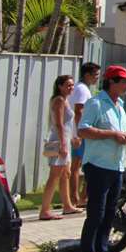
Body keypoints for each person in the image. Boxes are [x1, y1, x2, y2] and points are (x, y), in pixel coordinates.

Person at [77, 65, 126, 252]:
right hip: (98, 166)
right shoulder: (96, 103)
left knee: (110, 215)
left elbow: (122, 130)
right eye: (124, 81)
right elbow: (83, 130)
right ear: (111, 82)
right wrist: (112, 135)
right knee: (96, 215)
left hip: (116, 166)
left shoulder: (120, 106)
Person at [39, 75, 82, 220]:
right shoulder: (58, 101)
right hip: (58, 141)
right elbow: (59, 124)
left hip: (64, 141)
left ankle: (67, 205)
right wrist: (63, 144)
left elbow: (69, 125)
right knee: (55, 175)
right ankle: (44, 210)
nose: (71, 88)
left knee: (66, 174)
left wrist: (73, 138)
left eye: (72, 85)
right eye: (68, 85)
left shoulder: (65, 101)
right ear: (60, 86)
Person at [69, 62, 100, 208]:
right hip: (81, 135)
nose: (97, 78)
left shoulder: (82, 88)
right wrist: (80, 133)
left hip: (79, 133)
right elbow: (79, 111)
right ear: (87, 75)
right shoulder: (82, 89)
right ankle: (77, 198)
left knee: (78, 165)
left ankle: (79, 197)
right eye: (95, 75)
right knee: (79, 166)